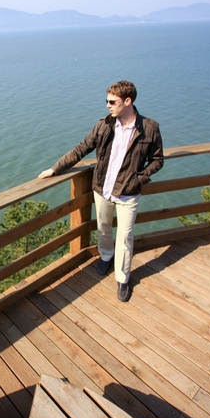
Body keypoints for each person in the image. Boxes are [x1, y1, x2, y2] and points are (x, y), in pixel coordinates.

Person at [38, 80, 164, 302]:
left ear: (128, 101)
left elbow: (157, 160)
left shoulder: (150, 128)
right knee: (103, 228)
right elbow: (81, 149)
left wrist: (140, 179)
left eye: (112, 102)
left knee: (125, 236)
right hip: (102, 189)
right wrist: (55, 168)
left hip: (128, 192)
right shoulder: (104, 125)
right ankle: (106, 255)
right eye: (106, 101)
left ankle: (123, 279)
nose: (108, 105)